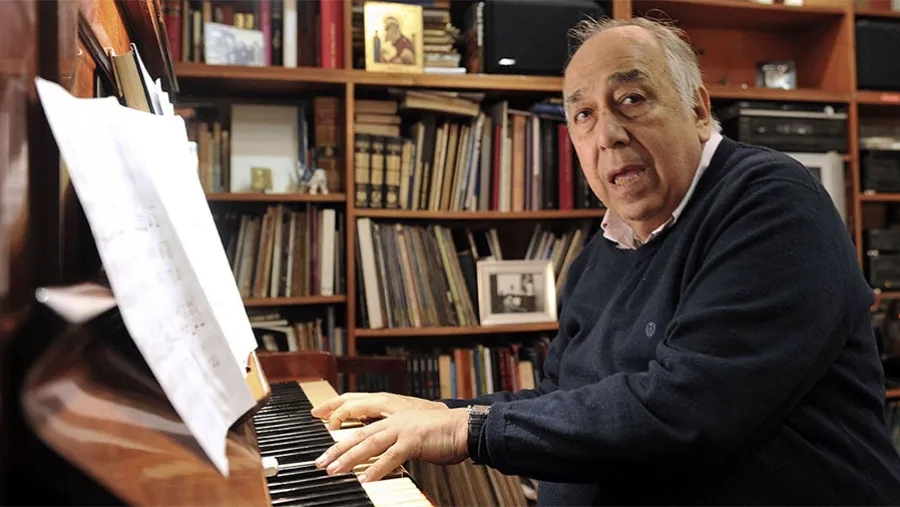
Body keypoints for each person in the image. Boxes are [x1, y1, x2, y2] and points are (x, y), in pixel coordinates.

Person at [311, 16, 900, 505]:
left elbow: (688, 409)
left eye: (632, 99)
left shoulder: (771, 201)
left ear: (697, 109)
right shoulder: (599, 256)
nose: (607, 133)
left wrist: (463, 429)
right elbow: (562, 398)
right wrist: (439, 410)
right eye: (583, 114)